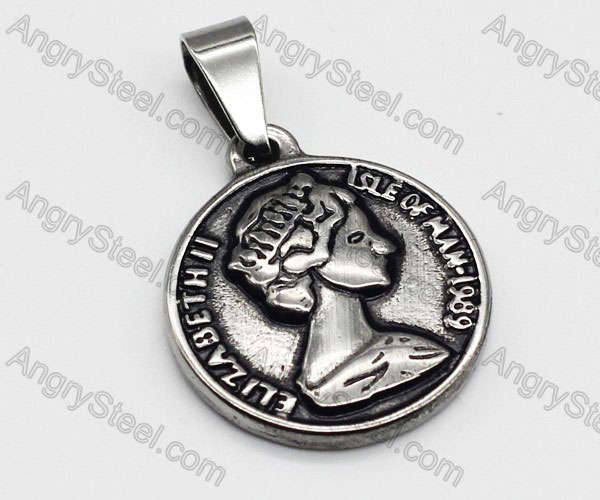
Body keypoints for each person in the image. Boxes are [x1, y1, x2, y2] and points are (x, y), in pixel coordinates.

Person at [229, 172, 449, 408]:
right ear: (306, 260)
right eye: (357, 237)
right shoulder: (413, 359)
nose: (385, 246)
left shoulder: (415, 356)